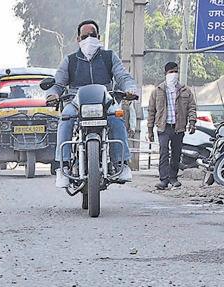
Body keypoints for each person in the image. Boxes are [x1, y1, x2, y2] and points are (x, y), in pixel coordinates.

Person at [47, 19, 138, 188]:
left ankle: (122, 163)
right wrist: (52, 94)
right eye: (85, 36)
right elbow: (58, 84)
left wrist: (130, 89)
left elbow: (123, 77)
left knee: (117, 116)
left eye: (93, 35)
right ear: (78, 39)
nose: (89, 39)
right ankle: (63, 165)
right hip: (75, 101)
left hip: (105, 99)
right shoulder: (70, 60)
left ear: (99, 36)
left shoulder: (109, 56)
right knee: (65, 118)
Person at [148, 61, 197, 190]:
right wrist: (150, 130)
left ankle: (173, 178)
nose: (174, 74)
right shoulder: (157, 91)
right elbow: (151, 111)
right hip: (163, 127)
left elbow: (192, 107)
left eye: (176, 72)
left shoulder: (185, 91)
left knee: (176, 153)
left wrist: (192, 122)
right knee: (163, 153)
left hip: (178, 127)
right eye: (171, 72)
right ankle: (163, 180)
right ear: (166, 74)